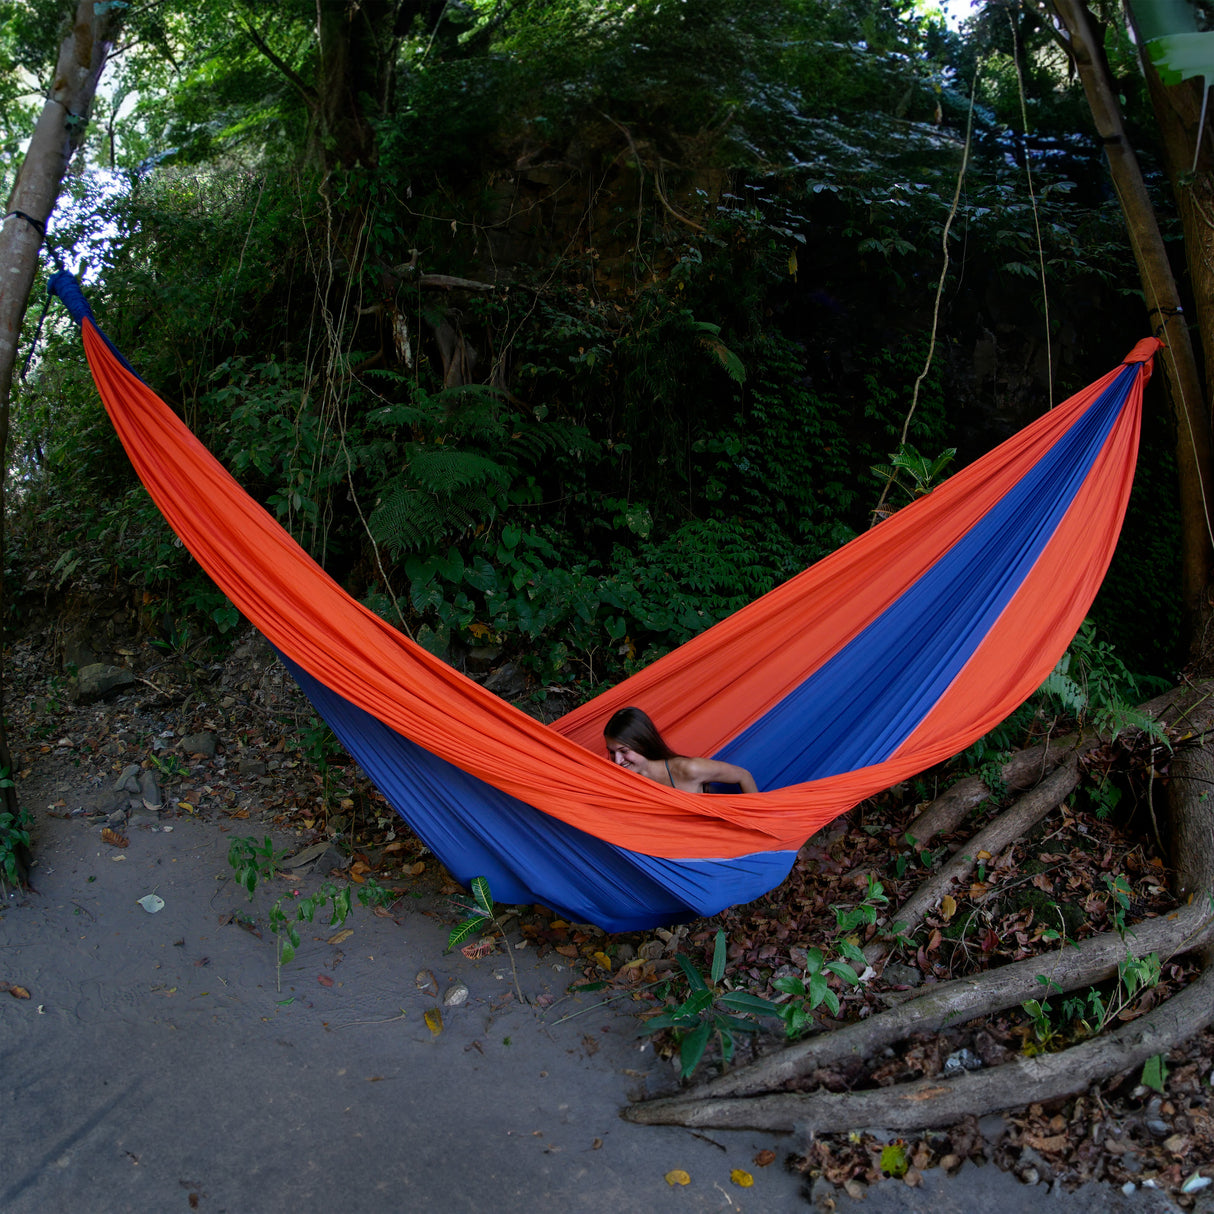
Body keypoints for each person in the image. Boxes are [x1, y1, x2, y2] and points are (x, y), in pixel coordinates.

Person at [603, 706, 758, 793]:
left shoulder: (688, 769)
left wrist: (757, 821)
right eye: (612, 752)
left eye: (624, 751)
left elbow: (744, 776)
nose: (617, 761)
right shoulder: (627, 782)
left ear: (643, 744)